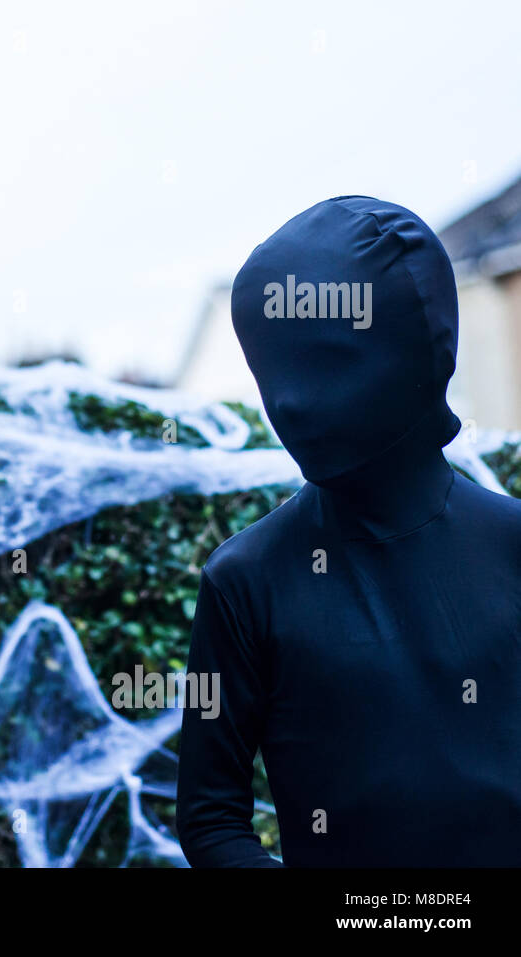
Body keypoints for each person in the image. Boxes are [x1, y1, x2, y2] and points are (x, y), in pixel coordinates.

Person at [176, 195, 521, 866]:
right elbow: (211, 815)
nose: (292, 402)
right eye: (272, 369)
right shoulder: (245, 580)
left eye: (324, 362)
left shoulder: (514, 546)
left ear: (412, 347)